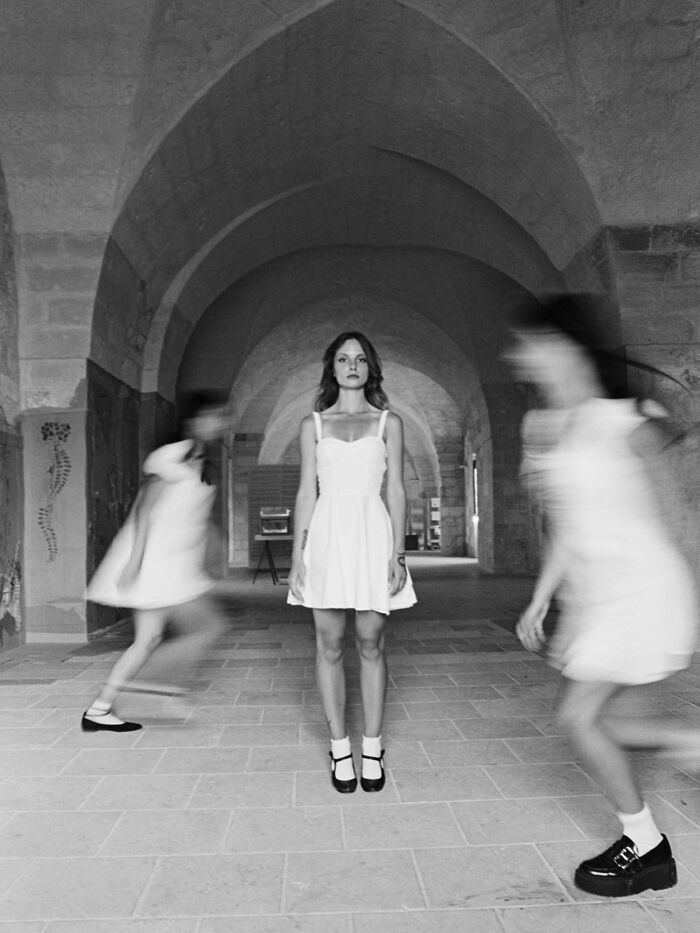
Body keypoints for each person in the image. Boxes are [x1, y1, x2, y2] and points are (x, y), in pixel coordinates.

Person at [504, 294, 699, 898]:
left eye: (530, 344)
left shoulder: (629, 419)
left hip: (644, 588)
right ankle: (677, 763)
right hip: (600, 599)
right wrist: (542, 595)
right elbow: (566, 523)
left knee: (581, 718)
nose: (521, 358)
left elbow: (678, 520)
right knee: (610, 721)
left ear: (564, 347)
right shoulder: (543, 426)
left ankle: (646, 847)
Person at [288, 331, 417, 793]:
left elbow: (397, 491)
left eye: (360, 358)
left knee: (370, 640)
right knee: (328, 642)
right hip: (326, 533)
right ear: (332, 368)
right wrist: (298, 556)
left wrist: (398, 553)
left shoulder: (389, 422)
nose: (352, 365)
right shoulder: (313, 425)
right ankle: (339, 746)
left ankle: (373, 745)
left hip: (371, 532)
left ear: (370, 367)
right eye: (343, 358)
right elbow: (306, 492)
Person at [81, 392, 230, 732]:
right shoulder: (171, 456)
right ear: (194, 420)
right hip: (155, 564)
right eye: (214, 416)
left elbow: (189, 514)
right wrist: (135, 563)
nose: (219, 423)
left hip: (175, 566)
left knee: (147, 640)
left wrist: (211, 543)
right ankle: (148, 692)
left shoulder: (201, 460)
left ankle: (101, 708)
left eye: (222, 418)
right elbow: (146, 509)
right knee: (209, 626)